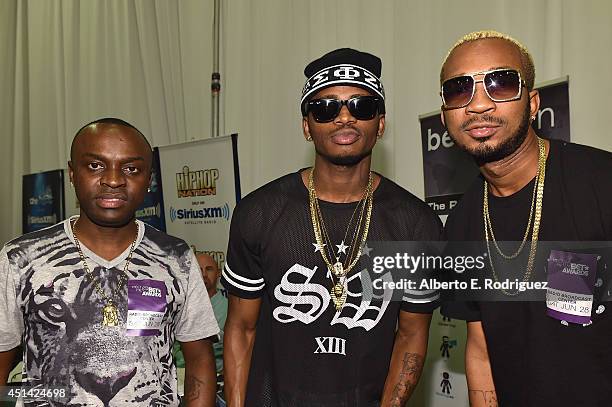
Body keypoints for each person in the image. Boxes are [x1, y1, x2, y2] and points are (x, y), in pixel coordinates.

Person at [222, 48, 442, 406]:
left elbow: (412, 336)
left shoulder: (415, 225)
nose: (344, 118)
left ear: (380, 124)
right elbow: (241, 330)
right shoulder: (259, 212)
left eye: (361, 106)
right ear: (307, 127)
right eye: (325, 108)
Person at [439, 31, 612, 406]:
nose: (478, 105)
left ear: (532, 103)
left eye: (500, 84)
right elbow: (481, 351)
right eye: (458, 90)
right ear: (445, 116)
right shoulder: (463, 222)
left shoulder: (601, 184)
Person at [0, 118, 219, 406]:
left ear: (148, 178)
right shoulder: (21, 258)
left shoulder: (174, 257)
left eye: (131, 169)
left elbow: (199, 359)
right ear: (71, 173)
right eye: (95, 166)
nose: (114, 180)